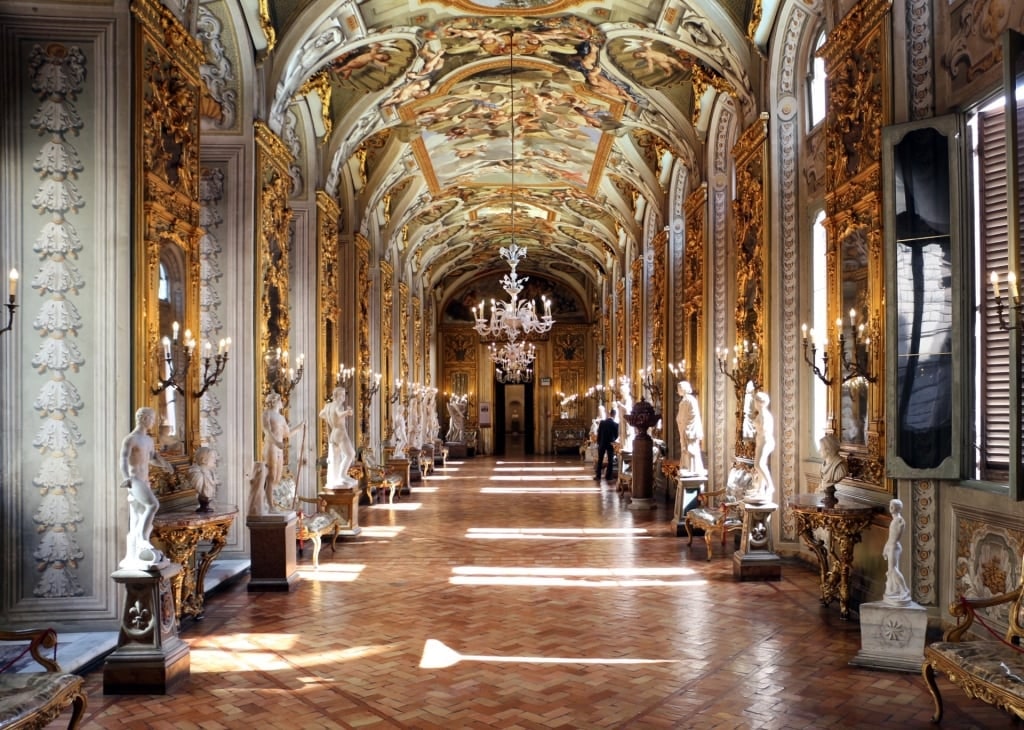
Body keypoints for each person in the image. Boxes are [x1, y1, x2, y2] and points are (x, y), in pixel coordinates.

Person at [119, 406, 172, 568]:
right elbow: (123, 459)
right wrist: (126, 478)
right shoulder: (131, 439)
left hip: (145, 480)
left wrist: (165, 464)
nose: (153, 422)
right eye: (152, 419)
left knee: (141, 515)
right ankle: (142, 539)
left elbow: (153, 458)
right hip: (135, 480)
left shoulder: (148, 440)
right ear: (144, 418)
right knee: (153, 504)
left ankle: (139, 546)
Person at [262, 391, 304, 500]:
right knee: (271, 476)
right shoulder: (267, 414)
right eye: (280, 400)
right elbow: (267, 431)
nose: (282, 402)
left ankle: (271, 503)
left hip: (279, 448)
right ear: (274, 402)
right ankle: (269, 505)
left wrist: (299, 427)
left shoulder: (281, 417)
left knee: (277, 477)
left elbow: (287, 434)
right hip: (271, 447)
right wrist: (276, 442)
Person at [319, 386, 357, 487]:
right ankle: (342, 475)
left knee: (336, 458)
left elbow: (321, 414)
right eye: (342, 395)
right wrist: (347, 412)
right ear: (337, 395)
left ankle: (337, 478)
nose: (344, 397)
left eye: (344, 394)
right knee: (351, 454)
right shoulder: (339, 406)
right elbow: (339, 413)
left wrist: (329, 418)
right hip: (340, 433)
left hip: (333, 435)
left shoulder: (328, 406)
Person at [746, 391, 775, 502]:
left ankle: (770, 486)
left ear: (759, 402)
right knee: (760, 465)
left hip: (766, 441)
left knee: (759, 464)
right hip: (761, 441)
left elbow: (765, 431)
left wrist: (756, 426)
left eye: (755, 401)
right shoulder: (760, 414)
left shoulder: (764, 415)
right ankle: (760, 489)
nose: (754, 403)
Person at [884, 498, 912, 604]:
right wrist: (885, 548)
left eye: (893, 506)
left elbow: (894, 538)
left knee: (893, 569)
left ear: (898, 508)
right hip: (891, 546)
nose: (890, 508)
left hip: (894, 547)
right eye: (890, 505)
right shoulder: (895, 520)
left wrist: (888, 547)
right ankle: (895, 590)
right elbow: (890, 537)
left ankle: (904, 590)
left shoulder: (899, 521)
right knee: (891, 570)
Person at [676, 381, 705, 475]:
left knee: (690, 449)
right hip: (686, 428)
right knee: (686, 449)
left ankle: (693, 469)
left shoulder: (688, 400)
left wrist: (684, 425)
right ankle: (688, 467)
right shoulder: (686, 400)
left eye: (679, 388)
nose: (678, 390)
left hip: (689, 429)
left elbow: (690, 416)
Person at [187, 446, 220, 512]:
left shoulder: (212, 473)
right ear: (204, 460)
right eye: (213, 457)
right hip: (203, 497)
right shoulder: (197, 474)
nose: (215, 460)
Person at [818, 434, 848, 498]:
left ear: (828, 450)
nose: (819, 450)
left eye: (821, 448)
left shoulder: (840, 467)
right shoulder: (824, 464)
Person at [595, 408, 619, 480]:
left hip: (602, 443)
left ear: (609, 414)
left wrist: (599, 442)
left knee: (600, 460)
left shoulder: (602, 423)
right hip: (610, 444)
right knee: (610, 460)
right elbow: (616, 436)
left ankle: (598, 476)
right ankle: (608, 476)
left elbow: (599, 434)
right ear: (614, 415)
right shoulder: (615, 424)